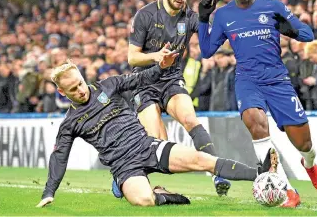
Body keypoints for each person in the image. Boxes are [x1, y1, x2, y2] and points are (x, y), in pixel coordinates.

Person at [36, 54, 264, 208]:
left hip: (146, 146)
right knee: (144, 200)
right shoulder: (70, 123)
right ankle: (164, 196)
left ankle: (261, 173)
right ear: (62, 92)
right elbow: (59, 157)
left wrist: (160, 68)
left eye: (80, 83)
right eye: (73, 89)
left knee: (201, 159)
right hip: (123, 165)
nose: (81, 90)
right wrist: (49, 192)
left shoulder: (108, 85)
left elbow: (140, 78)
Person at [197, 0, 317, 208]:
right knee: (255, 123)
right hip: (248, 80)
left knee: (304, 143)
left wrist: (289, 29)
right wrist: (204, 20)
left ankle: (309, 164)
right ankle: (286, 190)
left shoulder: (273, 5)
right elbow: (206, 50)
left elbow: (308, 33)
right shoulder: (224, 15)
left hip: (278, 80)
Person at [122, 0, 231, 197]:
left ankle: (216, 172)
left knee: (190, 118)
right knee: (157, 139)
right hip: (145, 82)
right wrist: (156, 56)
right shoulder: (146, 15)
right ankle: (126, 174)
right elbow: (132, 58)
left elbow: (209, 46)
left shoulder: (189, 18)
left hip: (171, 80)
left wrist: (205, 19)